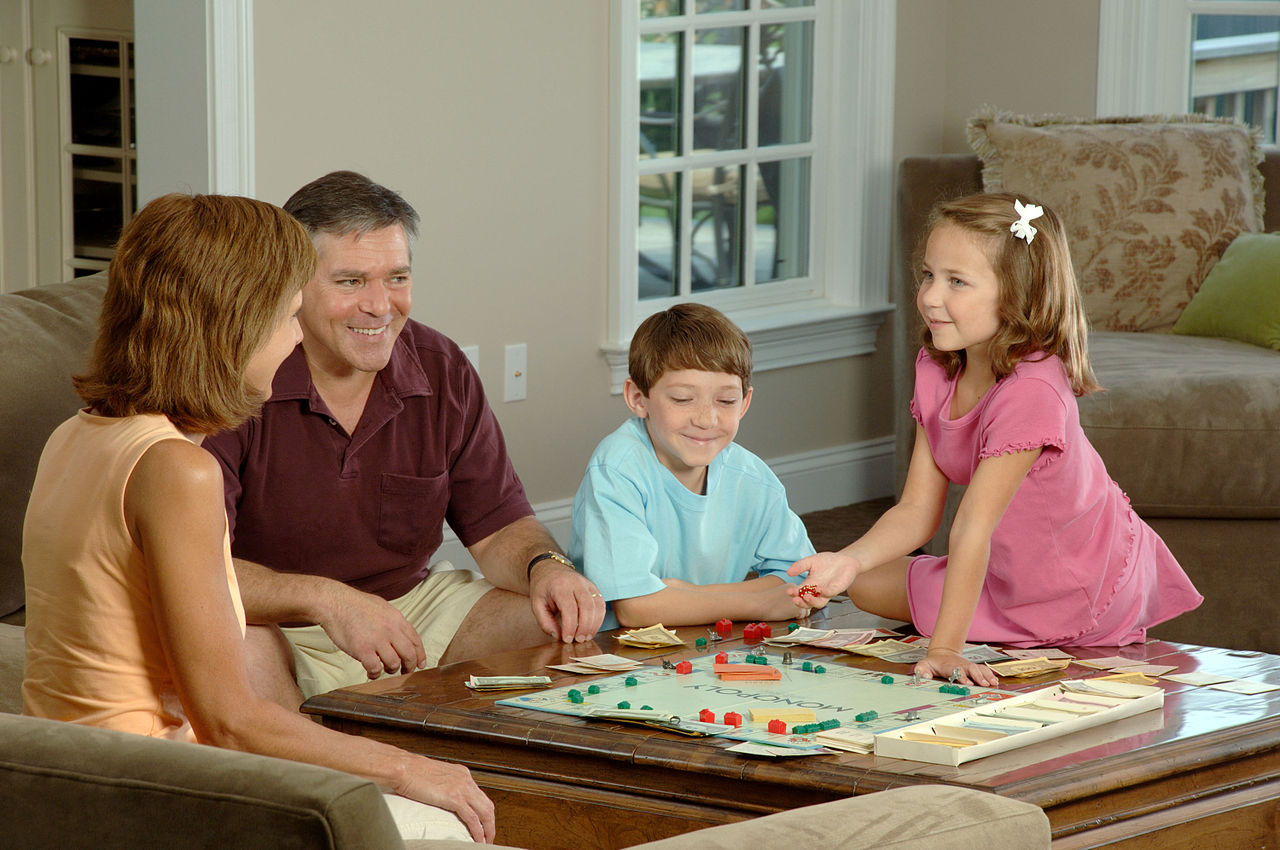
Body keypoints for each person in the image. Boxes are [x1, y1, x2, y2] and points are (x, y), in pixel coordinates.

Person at [22, 193, 495, 842]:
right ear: (234, 327)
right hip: (147, 793)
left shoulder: (78, 436)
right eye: (288, 316)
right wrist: (410, 770)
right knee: (453, 821)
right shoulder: (176, 471)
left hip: (61, 780)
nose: (297, 337)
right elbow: (231, 722)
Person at [202, 171, 604, 705]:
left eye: (396, 278)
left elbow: (500, 525)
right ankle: (339, 777)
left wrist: (546, 569)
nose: (380, 305)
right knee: (242, 653)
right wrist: (329, 601)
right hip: (279, 624)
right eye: (350, 282)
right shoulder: (239, 380)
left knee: (556, 633)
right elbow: (200, 569)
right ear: (292, 287)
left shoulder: (441, 366)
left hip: (414, 609)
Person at [787, 193, 1203, 687]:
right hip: (1003, 574)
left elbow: (971, 529)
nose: (930, 297)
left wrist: (945, 649)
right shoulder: (938, 366)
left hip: (1075, 583)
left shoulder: (1031, 390)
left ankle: (1038, 635)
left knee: (938, 589)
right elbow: (918, 510)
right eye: (928, 275)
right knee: (864, 583)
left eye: (957, 281)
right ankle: (995, 624)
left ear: (1016, 294)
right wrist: (846, 561)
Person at [569, 303, 814, 630]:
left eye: (725, 401)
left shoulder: (752, 478)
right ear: (638, 398)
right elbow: (635, 608)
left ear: (744, 403)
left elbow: (808, 584)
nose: (706, 419)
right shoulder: (617, 470)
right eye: (683, 399)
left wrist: (688, 596)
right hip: (621, 655)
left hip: (709, 642)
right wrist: (758, 600)